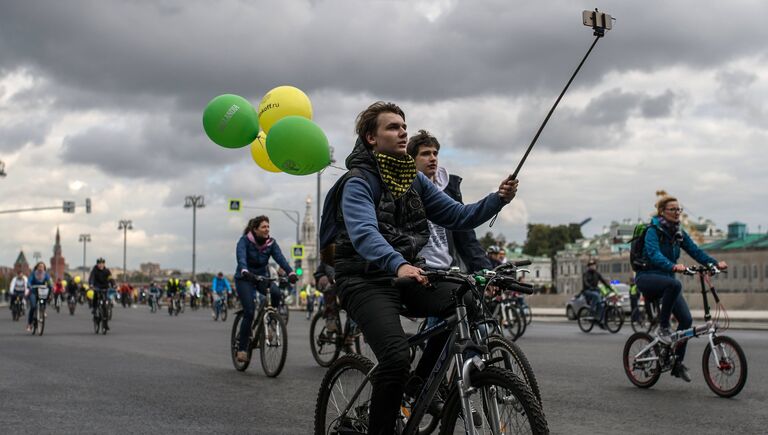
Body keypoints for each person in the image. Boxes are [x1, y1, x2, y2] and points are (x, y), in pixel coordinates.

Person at [330, 101, 518, 434]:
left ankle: (423, 387)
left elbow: (458, 217)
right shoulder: (358, 181)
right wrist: (398, 263)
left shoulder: (414, 180)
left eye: (404, 126)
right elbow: (363, 233)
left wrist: (497, 199)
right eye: (392, 127)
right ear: (370, 138)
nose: (402, 131)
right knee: (396, 358)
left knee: (466, 298)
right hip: (364, 280)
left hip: (406, 274)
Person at [635, 196, 727, 382]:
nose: (678, 212)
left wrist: (714, 264)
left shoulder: (679, 233)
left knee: (686, 320)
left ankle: (677, 363)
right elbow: (653, 254)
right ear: (662, 212)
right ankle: (663, 328)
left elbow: (695, 251)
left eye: (679, 209)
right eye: (673, 209)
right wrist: (673, 266)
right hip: (647, 277)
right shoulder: (653, 231)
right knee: (675, 283)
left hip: (668, 281)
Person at [407, 129, 493, 273]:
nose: (433, 158)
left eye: (435, 153)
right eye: (425, 154)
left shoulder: (449, 190)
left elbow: (466, 237)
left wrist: (485, 269)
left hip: (446, 270)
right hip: (416, 269)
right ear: (411, 159)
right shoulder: (402, 189)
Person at [234, 215, 297, 363]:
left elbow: (280, 258)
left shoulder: (271, 243)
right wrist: (244, 270)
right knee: (249, 311)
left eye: (268, 226)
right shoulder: (244, 241)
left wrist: (291, 272)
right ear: (255, 230)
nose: (267, 229)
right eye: (264, 227)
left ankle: (270, 321)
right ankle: (242, 348)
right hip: (245, 278)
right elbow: (241, 257)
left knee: (276, 293)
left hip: (262, 277)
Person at [581, 259, 613, 328]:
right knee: (596, 295)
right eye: (591, 265)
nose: (593, 267)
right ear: (588, 267)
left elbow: (604, 282)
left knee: (603, 305)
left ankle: (601, 321)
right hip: (587, 291)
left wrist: (610, 289)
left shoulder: (597, 274)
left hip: (595, 291)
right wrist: (590, 287)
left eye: (594, 265)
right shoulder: (585, 274)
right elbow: (585, 282)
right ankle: (591, 312)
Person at [26, 262, 53, 331]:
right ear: (37, 267)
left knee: (42, 300)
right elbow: (29, 281)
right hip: (33, 291)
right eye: (39, 266)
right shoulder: (33, 274)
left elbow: (49, 281)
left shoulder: (46, 274)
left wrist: (50, 285)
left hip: (42, 291)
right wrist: (29, 285)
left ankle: (42, 310)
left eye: (42, 267)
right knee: (33, 306)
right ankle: (29, 324)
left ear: (44, 268)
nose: (41, 268)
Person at [88, 258, 115, 324]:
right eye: (99, 263)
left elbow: (110, 278)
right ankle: (94, 309)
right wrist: (91, 284)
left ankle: (107, 309)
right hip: (97, 287)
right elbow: (92, 278)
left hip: (105, 287)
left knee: (107, 299)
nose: (101, 265)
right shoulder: (94, 271)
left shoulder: (107, 271)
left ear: (104, 264)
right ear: (97, 264)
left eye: (102, 263)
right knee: (96, 297)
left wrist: (114, 284)